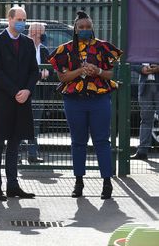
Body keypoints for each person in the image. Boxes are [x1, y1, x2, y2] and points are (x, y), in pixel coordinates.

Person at [48, 11, 122, 199]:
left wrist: (97, 70)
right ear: (75, 28)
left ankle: (107, 183)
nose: (85, 30)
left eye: (88, 27)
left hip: (99, 100)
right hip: (74, 101)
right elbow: (63, 77)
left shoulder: (103, 47)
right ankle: (78, 182)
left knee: (102, 141)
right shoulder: (64, 50)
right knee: (78, 142)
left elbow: (110, 74)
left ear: (92, 28)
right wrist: (81, 70)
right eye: (81, 27)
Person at [0, 6, 40, 201]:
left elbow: (34, 71)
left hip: (22, 101)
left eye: (24, 19)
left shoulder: (28, 43)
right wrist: (15, 91)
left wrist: (27, 90)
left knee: (15, 145)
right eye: (19, 19)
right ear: (9, 19)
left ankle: (13, 186)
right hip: (3, 101)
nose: (22, 23)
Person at [22, 22, 52, 163]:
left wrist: (39, 74)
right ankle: (16, 156)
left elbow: (48, 70)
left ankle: (32, 155)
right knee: (20, 122)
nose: (35, 36)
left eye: (39, 33)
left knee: (35, 124)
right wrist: (39, 75)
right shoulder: (22, 48)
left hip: (38, 92)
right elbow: (24, 71)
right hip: (23, 90)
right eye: (33, 33)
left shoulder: (44, 50)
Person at [130, 63, 159, 160]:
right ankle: (142, 152)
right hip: (145, 86)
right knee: (146, 120)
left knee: (146, 120)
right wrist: (141, 68)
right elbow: (132, 62)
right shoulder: (140, 48)